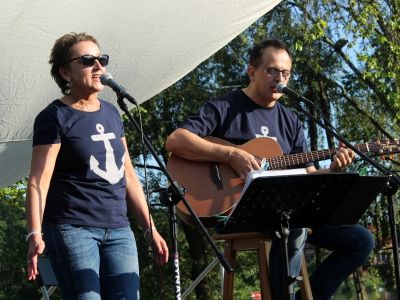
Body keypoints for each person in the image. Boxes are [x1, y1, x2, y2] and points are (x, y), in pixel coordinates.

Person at [165, 39, 374, 299]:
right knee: (293, 227)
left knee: (360, 241)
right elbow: (176, 140)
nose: (280, 78)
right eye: (272, 70)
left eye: (285, 73)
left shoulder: (291, 121)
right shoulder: (225, 108)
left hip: (288, 211)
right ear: (252, 71)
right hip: (238, 210)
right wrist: (231, 154)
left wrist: (332, 170)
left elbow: (308, 176)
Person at [25, 32, 169, 300]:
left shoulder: (112, 113)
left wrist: (150, 227)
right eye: (88, 60)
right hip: (73, 229)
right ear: (65, 72)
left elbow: (128, 174)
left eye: (101, 59)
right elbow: (38, 182)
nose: (99, 67)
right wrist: (34, 232)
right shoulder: (54, 117)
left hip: (119, 229)